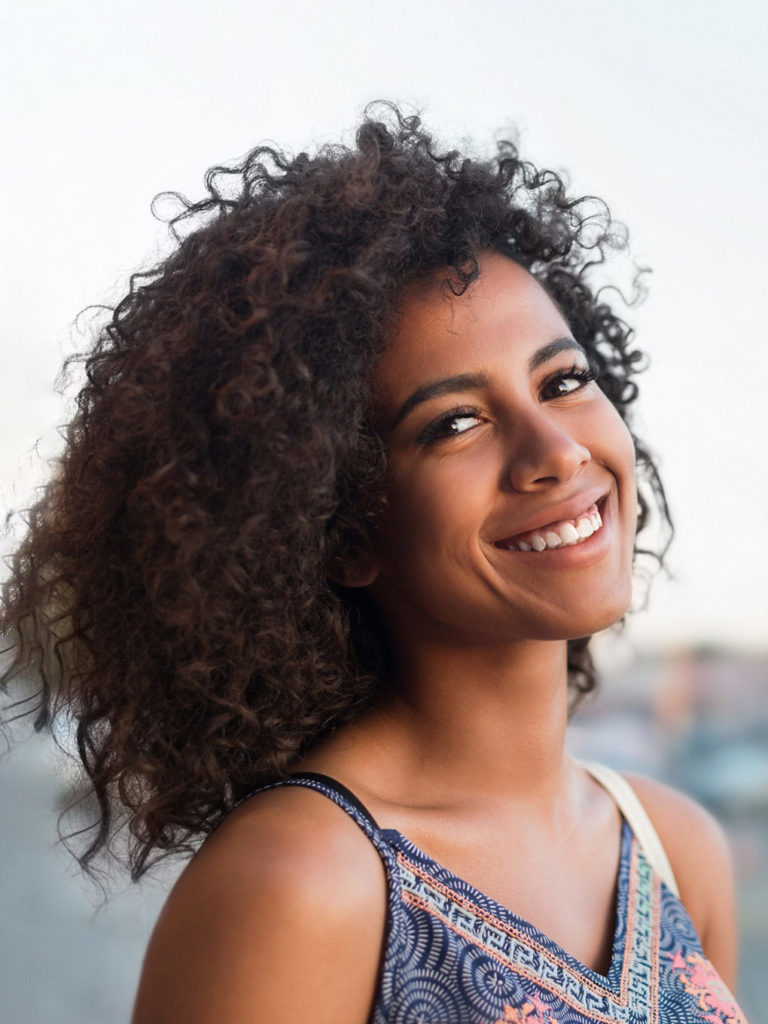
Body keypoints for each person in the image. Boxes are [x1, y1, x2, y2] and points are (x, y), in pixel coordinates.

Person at [0, 104, 745, 1024]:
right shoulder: (300, 887)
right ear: (342, 528)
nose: (556, 450)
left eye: (563, 381)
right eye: (453, 424)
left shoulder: (677, 850)